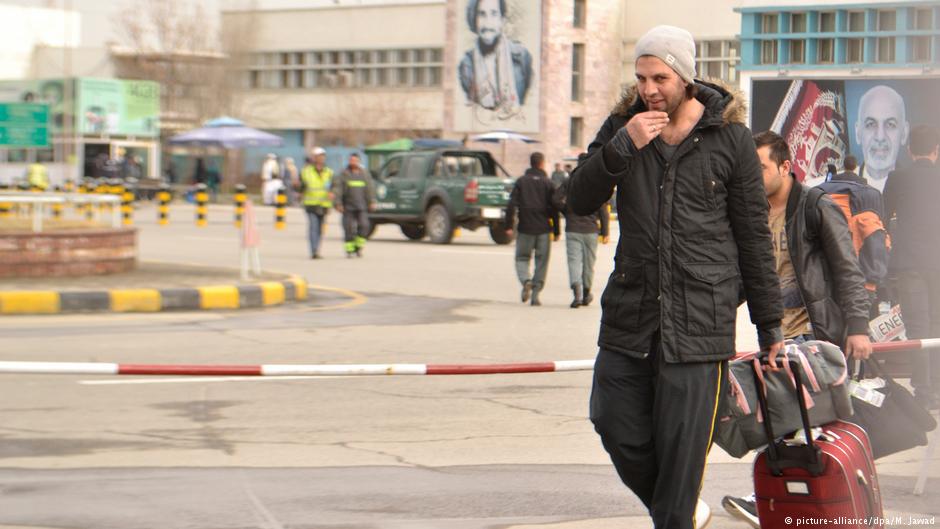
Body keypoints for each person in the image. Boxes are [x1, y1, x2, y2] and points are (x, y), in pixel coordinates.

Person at [568, 25, 784, 529]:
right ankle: (680, 510)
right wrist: (622, 146)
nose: (648, 89)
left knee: (683, 451)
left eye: (660, 77)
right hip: (631, 316)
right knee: (612, 420)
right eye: (641, 77)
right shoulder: (622, 127)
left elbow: (753, 235)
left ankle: (676, 513)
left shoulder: (729, 140)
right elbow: (577, 198)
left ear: (684, 77)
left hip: (700, 323)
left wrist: (769, 325)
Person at [721, 131, 873, 528]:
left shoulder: (813, 205)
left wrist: (857, 325)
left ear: (785, 167)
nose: (751, 177)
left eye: (760, 168)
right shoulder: (749, 212)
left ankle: (794, 499)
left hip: (815, 332)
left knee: (792, 417)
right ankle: (794, 501)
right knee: (783, 419)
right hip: (775, 333)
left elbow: (846, 268)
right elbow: (745, 276)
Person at [883, 124, 940, 410]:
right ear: (936, 150)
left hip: (909, 265)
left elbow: (882, 213)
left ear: (909, 149)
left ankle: (925, 391)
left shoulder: (897, 178)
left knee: (917, 328)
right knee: (937, 324)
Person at [458, 0, 532, 113]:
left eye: (494, 14)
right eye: (482, 14)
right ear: (474, 20)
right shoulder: (466, 65)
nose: (488, 23)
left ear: (502, 20)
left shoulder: (522, 57)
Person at [505, 152, 559, 306]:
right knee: (541, 262)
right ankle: (535, 295)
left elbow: (511, 205)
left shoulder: (521, 182)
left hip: (525, 228)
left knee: (521, 258)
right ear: (542, 164)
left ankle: (526, 280)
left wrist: (508, 225)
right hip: (543, 229)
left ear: (531, 163)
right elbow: (554, 208)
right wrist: (556, 231)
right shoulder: (548, 183)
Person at [553, 178, 609, 307]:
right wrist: (605, 232)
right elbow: (603, 210)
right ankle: (586, 293)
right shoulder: (596, 182)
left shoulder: (570, 181)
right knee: (589, 263)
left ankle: (577, 294)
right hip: (591, 230)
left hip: (572, 228)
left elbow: (556, 199)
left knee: (574, 261)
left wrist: (567, 211)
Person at [855, 85, 910, 193]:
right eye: (870, 124)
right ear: (858, 133)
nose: (880, 137)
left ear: (904, 133)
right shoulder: (840, 188)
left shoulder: (917, 187)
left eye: (890, 124)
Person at [333, 153, 376, 258]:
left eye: (355, 160)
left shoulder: (364, 174)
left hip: (362, 206)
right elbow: (338, 189)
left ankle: (358, 247)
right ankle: (349, 250)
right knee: (348, 228)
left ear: (359, 161)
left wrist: (372, 201)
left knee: (364, 226)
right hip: (348, 206)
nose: (353, 162)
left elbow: (369, 189)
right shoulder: (344, 174)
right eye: (351, 160)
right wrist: (338, 203)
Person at [298, 147, 333, 259]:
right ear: (314, 158)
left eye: (322, 156)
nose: (320, 158)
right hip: (311, 204)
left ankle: (317, 248)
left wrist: (333, 194)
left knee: (320, 229)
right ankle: (314, 250)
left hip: (324, 205)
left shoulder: (329, 172)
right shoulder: (306, 171)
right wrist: (298, 190)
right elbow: (300, 186)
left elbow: (335, 187)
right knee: (313, 227)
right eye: (318, 156)